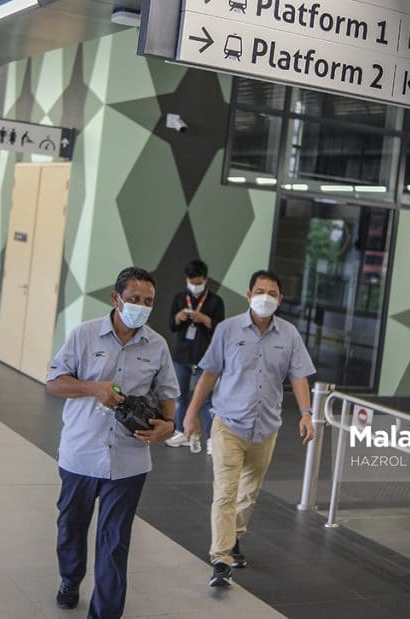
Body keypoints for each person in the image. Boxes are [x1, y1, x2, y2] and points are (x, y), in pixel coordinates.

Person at [46, 266, 179, 618]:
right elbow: (54, 382)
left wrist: (168, 426)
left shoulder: (157, 346)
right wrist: (93, 387)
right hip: (81, 454)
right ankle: (71, 577)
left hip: (130, 459)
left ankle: (104, 613)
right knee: (71, 527)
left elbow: (168, 398)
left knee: (115, 542)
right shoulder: (84, 335)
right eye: (134, 299)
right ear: (116, 298)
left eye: (148, 301)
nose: (141, 306)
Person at [183, 269, 316, 587]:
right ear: (248, 294)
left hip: (266, 428)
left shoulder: (289, 335)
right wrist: (190, 414)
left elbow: (298, 376)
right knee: (225, 493)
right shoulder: (228, 330)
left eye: (272, 293)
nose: (265, 298)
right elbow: (209, 374)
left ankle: (233, 537)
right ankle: (221, 559)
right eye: (260, 291)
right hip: (228, 423)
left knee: (248, 495)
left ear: (280, 299)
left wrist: (307, 413)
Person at [165, 259, 225, 451]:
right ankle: (182, 432)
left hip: (205, 357)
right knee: (179, 396)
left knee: (207, 400)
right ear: (187, 279)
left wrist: (206, 319)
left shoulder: (215, 301)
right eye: (192, 281)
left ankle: (210, 438)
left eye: (199, 282)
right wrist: (179, 317)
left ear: (206, 280)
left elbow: (220, 330)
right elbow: (171, 326)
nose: (195, 286)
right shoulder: (180, 298)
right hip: (182, 354)